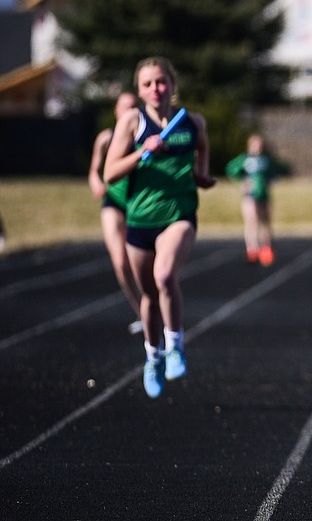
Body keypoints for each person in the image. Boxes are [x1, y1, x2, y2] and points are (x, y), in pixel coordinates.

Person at [104, 57, 215, 399]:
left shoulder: (191, 121)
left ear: (172, 84)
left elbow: (202, 147)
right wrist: (142, 152)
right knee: (149, 295)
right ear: (139, 90)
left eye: (161, 82)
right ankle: (153, 357)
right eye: (148, 84)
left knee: (165, 275)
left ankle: (176, 344)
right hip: (140, 221)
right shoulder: (132, 122)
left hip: (178, 215)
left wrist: (200, 173)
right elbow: (110, 174)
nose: (156, 89)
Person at [89, 90, 143, 332]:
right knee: (120, 262)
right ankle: (141, 311)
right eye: (124, 107)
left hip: (138, 205)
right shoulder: (105, 138)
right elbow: (94, 170)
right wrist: (96, 182)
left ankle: (151, 308)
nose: (128, 111)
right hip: (113, 202)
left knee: (139, 263)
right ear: (116, 111)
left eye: (133, 107)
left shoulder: (143, 137)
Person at [225, 133, 289, 266]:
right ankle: (252, 248)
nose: (258, 147)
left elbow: (282, 168)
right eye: (255, 144)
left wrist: (273, 178)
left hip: (264, 195)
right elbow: (230, 169)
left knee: (265, 222)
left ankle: (266, 247)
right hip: (250, 196)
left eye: (260, 144)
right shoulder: (244, 159)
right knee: (252, 221)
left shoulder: (267, 159)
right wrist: (241, 183)